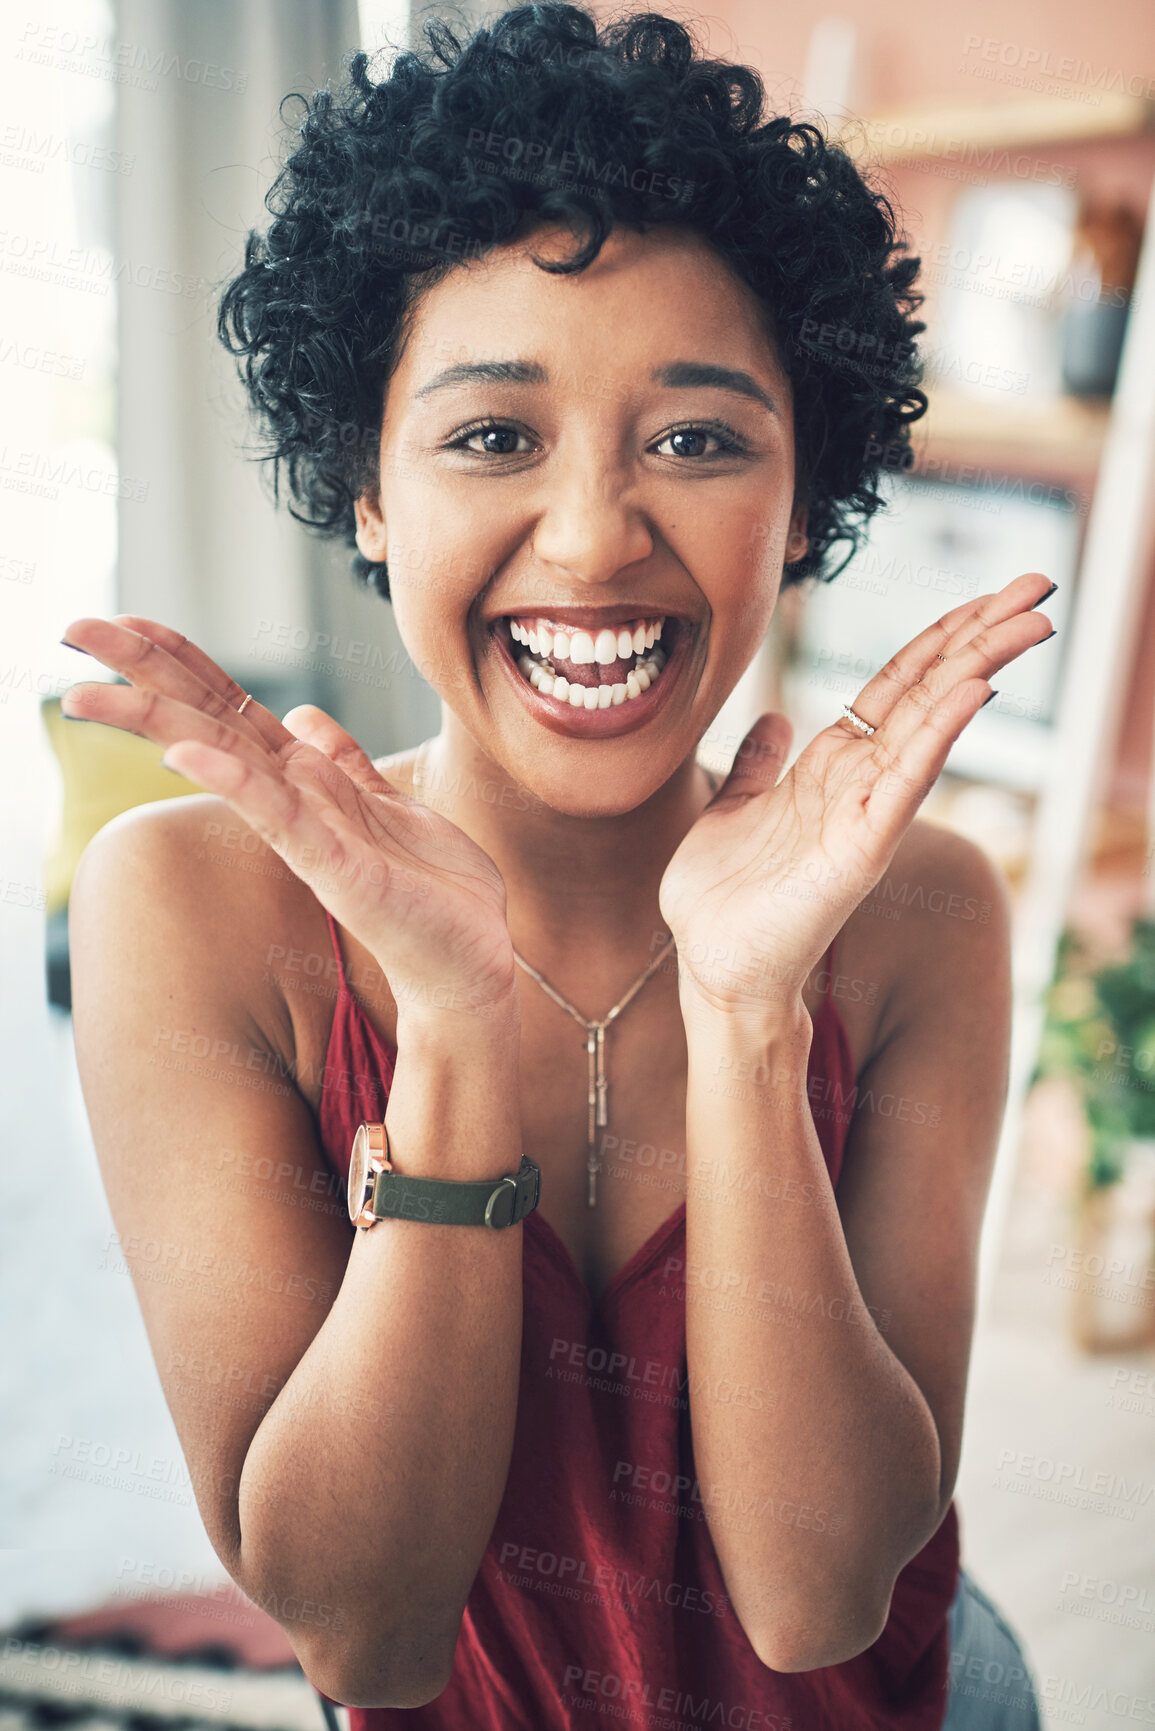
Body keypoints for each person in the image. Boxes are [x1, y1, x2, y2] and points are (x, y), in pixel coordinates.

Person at [62, 7, 1052, 1726]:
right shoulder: (193, 909)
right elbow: (365, 1633)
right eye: (492, 436)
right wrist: (446, 1028)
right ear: (366, 488)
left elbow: (823, 1600)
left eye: (696, 437)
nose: (594, 538)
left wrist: (751, 1013)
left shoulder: (919, 910)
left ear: (804, 496)